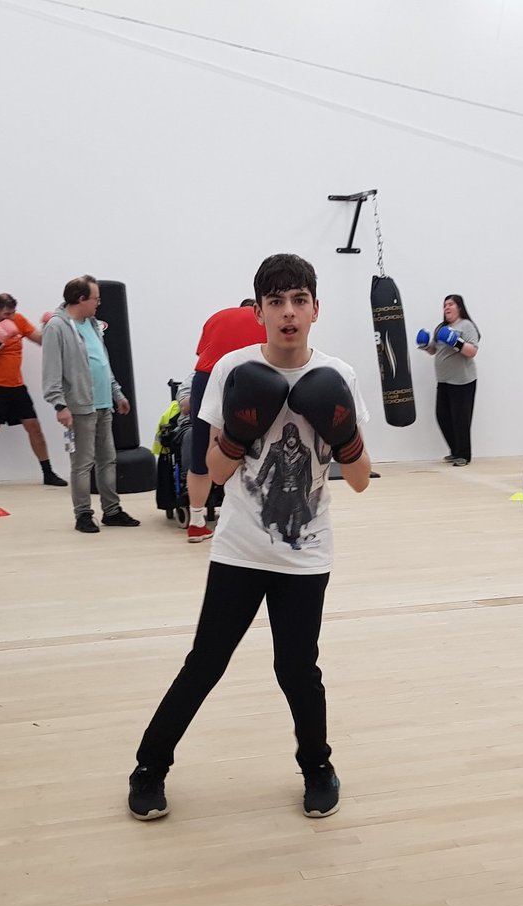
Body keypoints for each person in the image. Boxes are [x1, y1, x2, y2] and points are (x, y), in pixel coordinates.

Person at [128, 253, 371, 821]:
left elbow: (359, 481)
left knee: (297, 669)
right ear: (259, 309)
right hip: (239, 546)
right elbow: (214, 472)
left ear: (315, 308)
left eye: (299, 301)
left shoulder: (340, 375)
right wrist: (239, 431)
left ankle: (317, 766)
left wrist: (345, 438)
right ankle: (149, 766)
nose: (288, 313)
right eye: (276, 302)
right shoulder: (234, 370)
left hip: (307, 551)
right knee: (206, 661)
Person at [42, 275, 140, 534]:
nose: (99, 303)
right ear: (80, 299)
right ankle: (83, 514)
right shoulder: (57, 327)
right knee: (82, 463)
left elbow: (103, 363)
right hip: (79, 406)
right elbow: (51, 371)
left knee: (107, 459)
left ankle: (112, 511)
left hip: (103, 404)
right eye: (95, 298)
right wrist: (59, 405)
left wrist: (117, 393)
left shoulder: (94, 325)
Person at [183, 300, 267, 543]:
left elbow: (203, 354)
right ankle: (251, 520)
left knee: (201, 452)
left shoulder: (217, 316)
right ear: (258, 308)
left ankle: (197, 522)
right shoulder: (265, 319)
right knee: (254, 450)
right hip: (247, 379)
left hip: (206, 379)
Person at [0, 293, 67, 491]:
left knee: (34, 426)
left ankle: (48, 473)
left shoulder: (18, 320)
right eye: (6, 314)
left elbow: (40, 340)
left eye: (12, 313)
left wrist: (48, 327)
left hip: (16, 385)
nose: (10, 318)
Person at [415, 295, 480, 465]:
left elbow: (472, 351)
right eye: (444, 305)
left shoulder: (466, 325)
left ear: (459, 307)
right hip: (444, 381)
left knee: (461, 418)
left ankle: (464, 455)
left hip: (463, 381)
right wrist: (424, 345)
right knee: (442, 416)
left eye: (450, 304)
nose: (447, 307)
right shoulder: (441, 328)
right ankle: (455, 450)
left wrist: (455, 342)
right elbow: (434, 350)